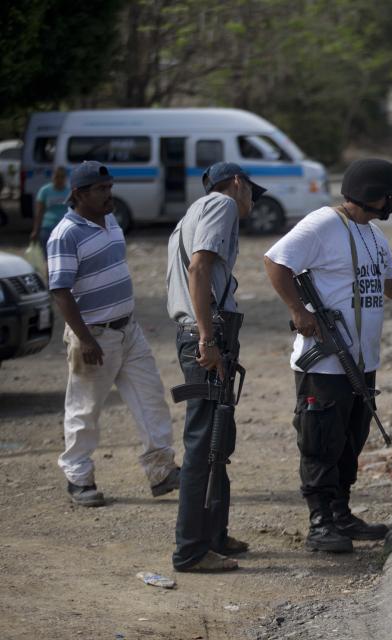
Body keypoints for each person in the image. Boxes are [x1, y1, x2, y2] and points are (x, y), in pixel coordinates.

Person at [263, 158, 392, 553]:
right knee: (320, 441)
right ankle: (320, 524)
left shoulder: (373, 236)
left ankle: (341, 515)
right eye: (388, 196)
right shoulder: (322, 224)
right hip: (326, 361)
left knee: (351, 441)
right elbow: (275, 261)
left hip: (362, 362)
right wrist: (300, 311)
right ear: (369, 194)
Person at [46, 161, 180, 508]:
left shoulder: (110, 219)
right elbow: (61, 291)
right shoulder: (65, 233)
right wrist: (86, 340)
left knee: (150, 399)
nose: (110, 194)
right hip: (94, 336)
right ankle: (79, 479)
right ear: (79, 194)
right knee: (85, 409)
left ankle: (161, 471)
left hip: (128, 330)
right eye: (101, 190)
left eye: (110, 187)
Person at [165, 161, 263, 572]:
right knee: (204, 444)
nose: (251, 202)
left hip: (205, 333)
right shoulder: (221, 205)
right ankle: (190, 551)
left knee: (218, 441)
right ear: (237, 183)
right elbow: (199, 267)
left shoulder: (195, 211)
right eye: (251, 193)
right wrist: (207, 338)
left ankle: (214, 536)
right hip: (206, 337)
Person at [31, 167, 71, 257]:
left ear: (65, 178)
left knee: (64, 257)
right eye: (57, 176)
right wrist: (35, 230)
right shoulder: (45, 191)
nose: (59, 179)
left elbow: (75, 210)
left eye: (62, 177)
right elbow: (39, 212)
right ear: (53, 177)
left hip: (65, 230)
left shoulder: (69, 192)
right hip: (48, 228)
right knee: (49, 258)